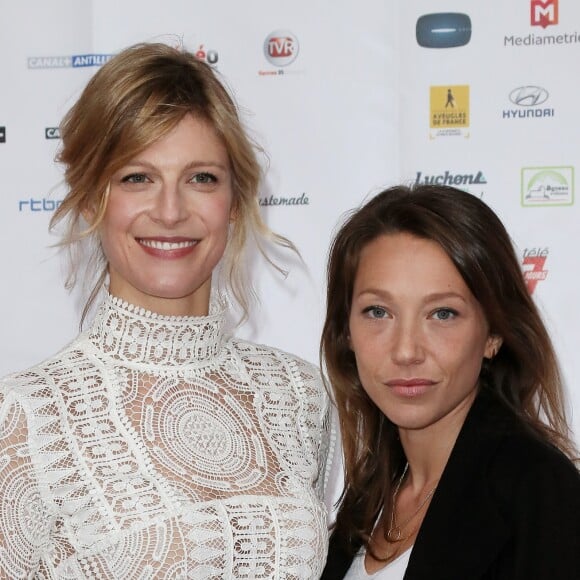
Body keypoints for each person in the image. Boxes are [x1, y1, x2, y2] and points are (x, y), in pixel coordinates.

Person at [0, 42, 331, 578]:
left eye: (201, 178)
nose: (171, 211)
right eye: (137, 178)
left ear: (234, 201)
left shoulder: (297, 394)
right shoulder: (23, 418)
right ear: (90, 199)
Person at [320, 185, 580, 579]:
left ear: (493, 334)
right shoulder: (368, 497)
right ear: (346, 333)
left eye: (442, 314)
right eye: (378, 311)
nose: (406, 351)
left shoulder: (539, 492)